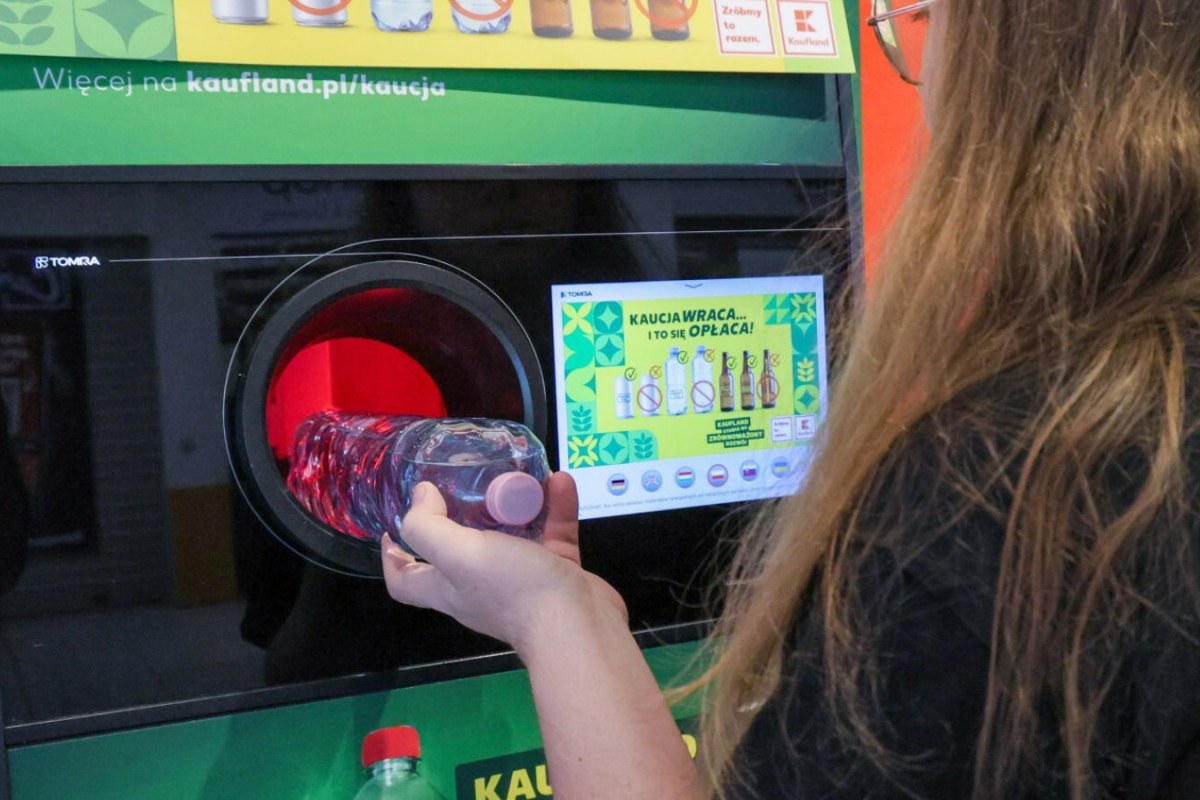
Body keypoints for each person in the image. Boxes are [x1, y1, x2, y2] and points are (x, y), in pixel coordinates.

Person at [381, 0, 1200, 797]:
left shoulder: (1000, 490)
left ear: (1015, 60)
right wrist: (572, 615)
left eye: (931, 17)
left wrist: (551, 622)